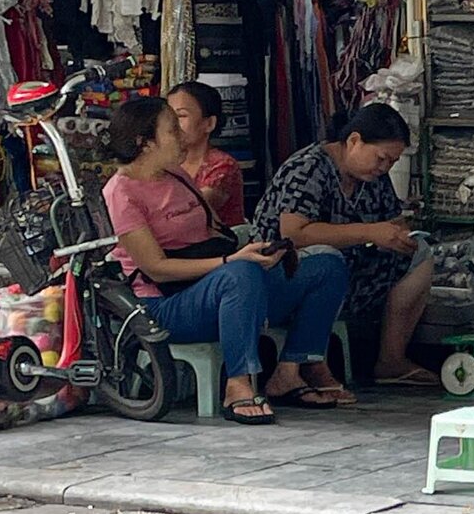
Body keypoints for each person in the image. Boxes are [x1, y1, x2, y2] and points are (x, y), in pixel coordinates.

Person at [102, 96, 353, 425]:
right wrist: (231, 261)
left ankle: (291, 369)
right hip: (164, 305)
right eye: (171, 129)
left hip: (219, 286)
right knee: (240, 275)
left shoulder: (176, 175)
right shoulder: (121, 192)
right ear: (145, 142)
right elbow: (156, 269)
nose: (181, 135)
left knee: (327, 266)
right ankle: (238, 383)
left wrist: (260, 250)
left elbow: (214, 235)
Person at [252, 103, 436, 388]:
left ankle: (391, 360)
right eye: (381, 158)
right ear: (354, 141)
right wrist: (368, 232)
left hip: (352, 271)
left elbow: (393, 220)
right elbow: (295, 234)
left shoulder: (374, 179)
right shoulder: (308, 168)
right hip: (286, 274)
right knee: (327, 259)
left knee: (421, 254)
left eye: (391, 162)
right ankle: (305, 363)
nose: (384, 167)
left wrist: (399, 236)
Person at [168, 80, 245, 227]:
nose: (172, 125)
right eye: (168, 118)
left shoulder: (223, 166)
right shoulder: (168, 164)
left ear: (209, 123)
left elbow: (191, 213)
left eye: (181, 116)